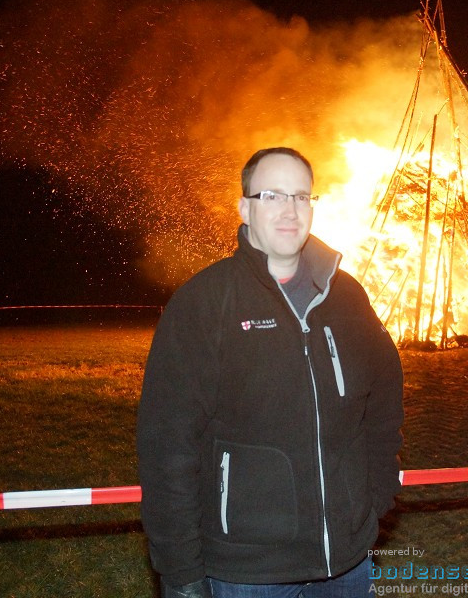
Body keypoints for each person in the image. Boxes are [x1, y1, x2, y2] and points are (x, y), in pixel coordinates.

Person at [137, 147, 404, 598]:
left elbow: (384, 401)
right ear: (244, 208)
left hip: (347, 564)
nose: (290, 210)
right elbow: (168, 446)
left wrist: (375, 498)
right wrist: (181, 573)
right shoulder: (205, 302)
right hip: (247, 572)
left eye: (301, 196)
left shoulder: (347, 296)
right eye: (273, 195)